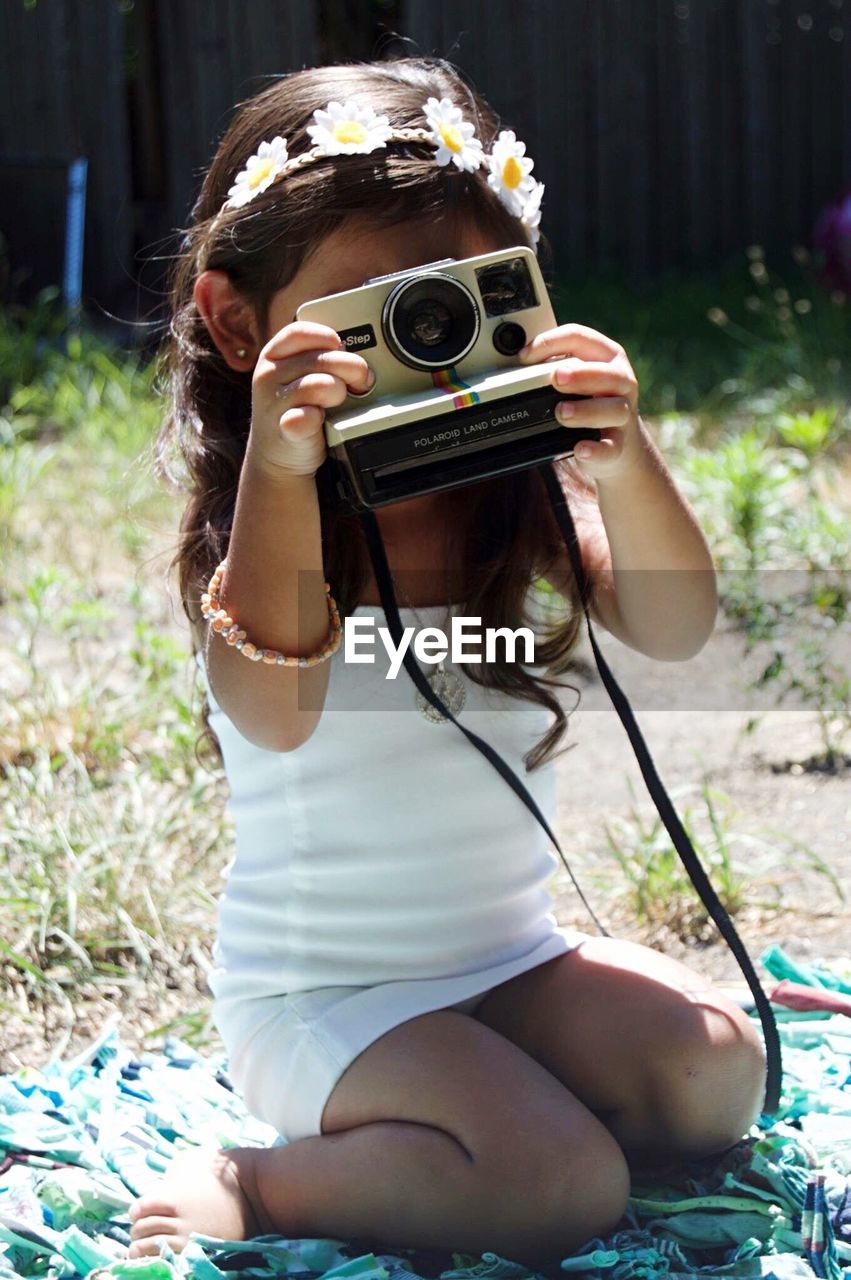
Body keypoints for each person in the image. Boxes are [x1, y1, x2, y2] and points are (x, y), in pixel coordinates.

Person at [128, 57, 767, 1270]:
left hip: (505, 956)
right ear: (236, 323)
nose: (423, 345)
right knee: (555, 1184)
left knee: (712, 1070)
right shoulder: (273, 525)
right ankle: (259, 1176)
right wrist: (278, 465)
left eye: (452, 302)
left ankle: (474, 1114)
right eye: (371, 312)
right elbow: (267, 710)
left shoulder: (506, 491)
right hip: (327, 1000)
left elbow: (678, 631)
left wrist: (620, 453)